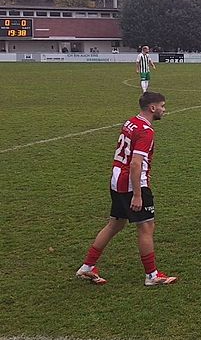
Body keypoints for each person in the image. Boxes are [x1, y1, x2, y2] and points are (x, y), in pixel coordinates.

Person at [75, 92, 178, 286]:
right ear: (152, 108)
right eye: (162, 106)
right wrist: (138, 195)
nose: (164, 110)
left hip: (117, 180)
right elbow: (136, 164)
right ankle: (152, 276)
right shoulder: (146, 131)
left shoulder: (130, 122)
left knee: (115, 224)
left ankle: (87, 267)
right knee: (146, 227)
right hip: (133, 184)